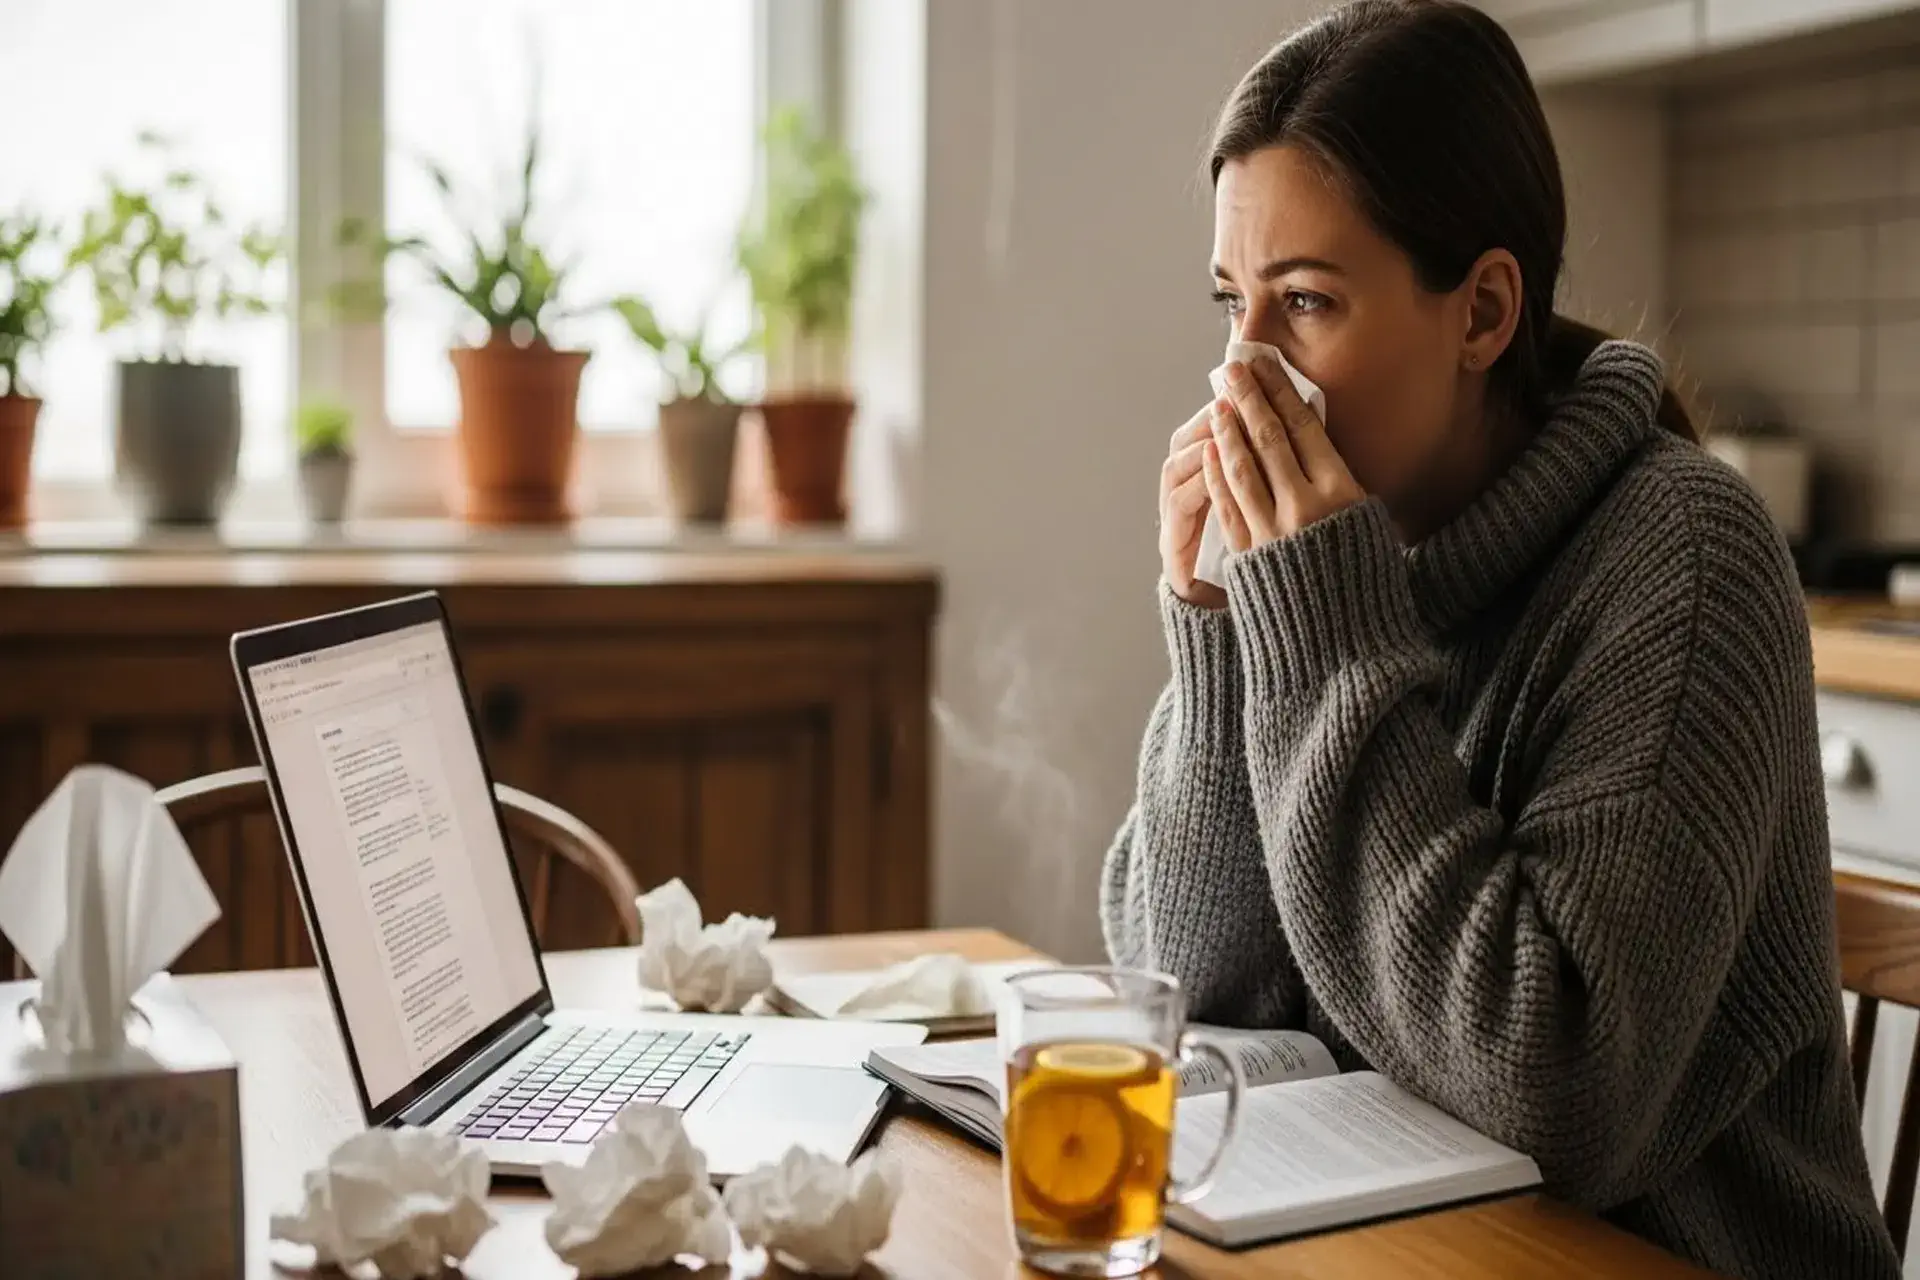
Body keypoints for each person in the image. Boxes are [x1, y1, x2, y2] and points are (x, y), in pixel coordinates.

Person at [1098, 3, 1900, 1277]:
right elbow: (1183, 991)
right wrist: (1217, 639)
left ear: (1481, 313)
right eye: (1229, 305)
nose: (1242, 376)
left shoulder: (1683, 557)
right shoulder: (1343, 567)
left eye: (1304, 302)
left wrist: (1322, 630)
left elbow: (1557, 1091)